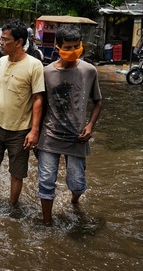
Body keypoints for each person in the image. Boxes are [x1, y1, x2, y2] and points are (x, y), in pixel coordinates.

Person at [36, 25, 102, 226]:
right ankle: (47, 223)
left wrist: (90, 126)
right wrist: (33, 133)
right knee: (46, 182)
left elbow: (98, 101)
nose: (73, 50)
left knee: (77, 183)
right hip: (50, 136)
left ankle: (75, 200)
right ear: (57, 47)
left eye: (76, 46)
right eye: (67, 47)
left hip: (77, 137)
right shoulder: (46, 72)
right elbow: (40, 104)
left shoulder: (89, 71)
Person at [0, 20, 45, 207]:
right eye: (1, 39)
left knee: (17, 174)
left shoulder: (34, 65)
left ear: (19, 42)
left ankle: (13, 207)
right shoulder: (1, 61)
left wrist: (35, 131)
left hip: (21, 130)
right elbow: (5, 90)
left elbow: (38, 98)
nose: (0, 43)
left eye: (5, 40)